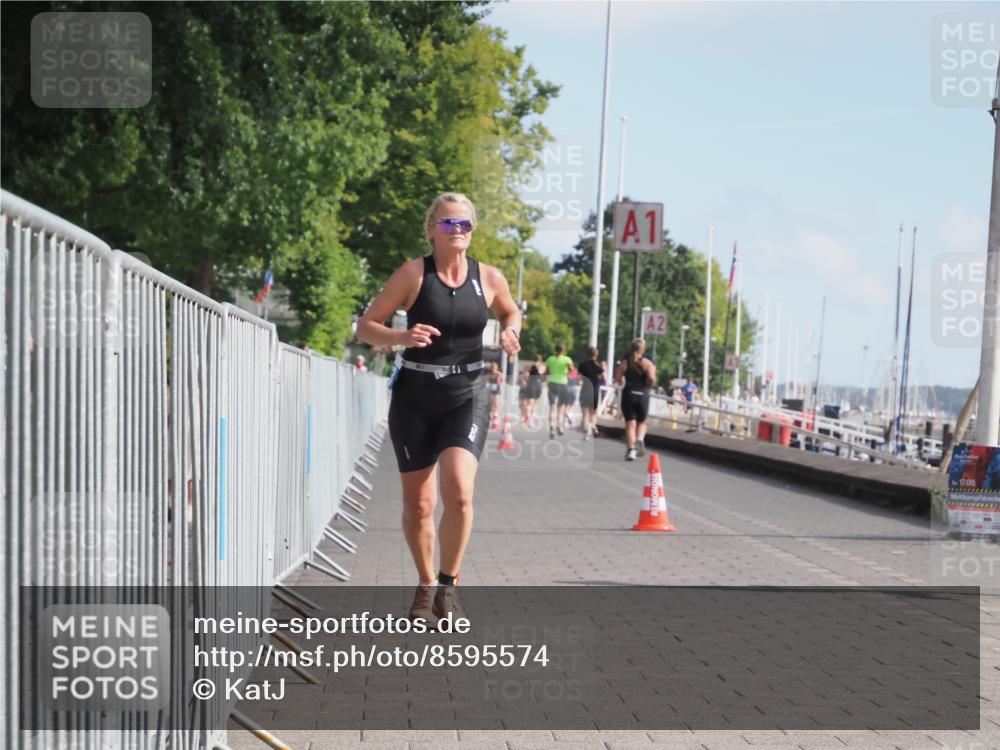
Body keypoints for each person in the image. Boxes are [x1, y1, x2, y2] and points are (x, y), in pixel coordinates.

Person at [356, 192, 521, 624]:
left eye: (464, 224)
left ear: (473, 231)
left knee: (460, 491)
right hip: (414, 395)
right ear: (431, 230)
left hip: (467, 393)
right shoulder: (413, 274)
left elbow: (510, 311)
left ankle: (448, 586)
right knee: (419, 505)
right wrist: (400, 338)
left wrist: (511, 331)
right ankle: (426, 582)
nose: (457, 230)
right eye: (448, 223)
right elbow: (366, 327)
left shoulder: (489, 277)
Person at [614, 339, 656, 461]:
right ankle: (640, 438)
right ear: (643, 349)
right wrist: (648, 385)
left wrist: (619, 382)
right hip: (643, 393)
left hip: (629, 392)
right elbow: (651, 378)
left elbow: (617, 378)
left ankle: (631, 450)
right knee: (642, 422)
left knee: (630, 423)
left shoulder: (625, 362)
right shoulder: (648, 363)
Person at [544, 344, 574, 439]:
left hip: (552, 383)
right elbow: (572, 370)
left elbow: (546, 372)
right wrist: (566, 372)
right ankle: (559, 426)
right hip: (562, 383)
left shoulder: (550, 359)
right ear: (563, 350)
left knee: (552, 407)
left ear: (555, 350)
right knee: (560, 407)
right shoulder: (567, 359)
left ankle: (551, 428)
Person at [578, 347, 605, 440]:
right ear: (596, 355)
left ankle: (586, 433)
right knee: (593, 413)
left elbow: (579, 377)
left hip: (585, 389)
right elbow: (604, 378)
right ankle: (592, 426)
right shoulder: (598, 366)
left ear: (587, 354)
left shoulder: (582, 365)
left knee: (585, 414)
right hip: (595, 390)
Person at [524, 355, 546, 424]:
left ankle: (528, 414)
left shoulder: (531, 366)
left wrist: (526, 381)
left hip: (531, 384)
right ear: (541, 360)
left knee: (530, 402)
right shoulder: (543, 367)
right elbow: (544, 377)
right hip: (538, 385)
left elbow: (526, 374)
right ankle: (531, 418)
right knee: (536, 402)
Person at [486, 362, 504, 426]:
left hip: (497, 391)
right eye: (492, 367)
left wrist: (500, 381)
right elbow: (486, 381)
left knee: (496, 404)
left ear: (497, 368)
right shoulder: (489, 374)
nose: (493, 368)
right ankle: (491, 418)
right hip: (490, 391)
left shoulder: (499, 374)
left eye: (494, 367)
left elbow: (503, 381)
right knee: (491, 405)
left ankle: (496, 417)